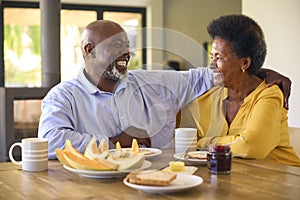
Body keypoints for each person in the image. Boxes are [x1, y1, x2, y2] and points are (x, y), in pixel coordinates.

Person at [38, 20, 291, 159]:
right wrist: (114, 143)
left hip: (161, 184)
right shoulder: (63, 97)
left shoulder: (153, 84)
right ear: (89, 50)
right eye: (116, 46)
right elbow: (49, 141)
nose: (126, 52)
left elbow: (209, 75)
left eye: (127, 46)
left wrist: (260, 72)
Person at [177, 14, 300, 166]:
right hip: (237, 181)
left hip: (284, 181)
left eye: (219, 58)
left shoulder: (269, 94)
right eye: (212, 57)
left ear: (245, 63)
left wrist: (202, 143)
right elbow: (179, 131)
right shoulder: (210, 93)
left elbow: (251, 145)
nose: (211, 66)